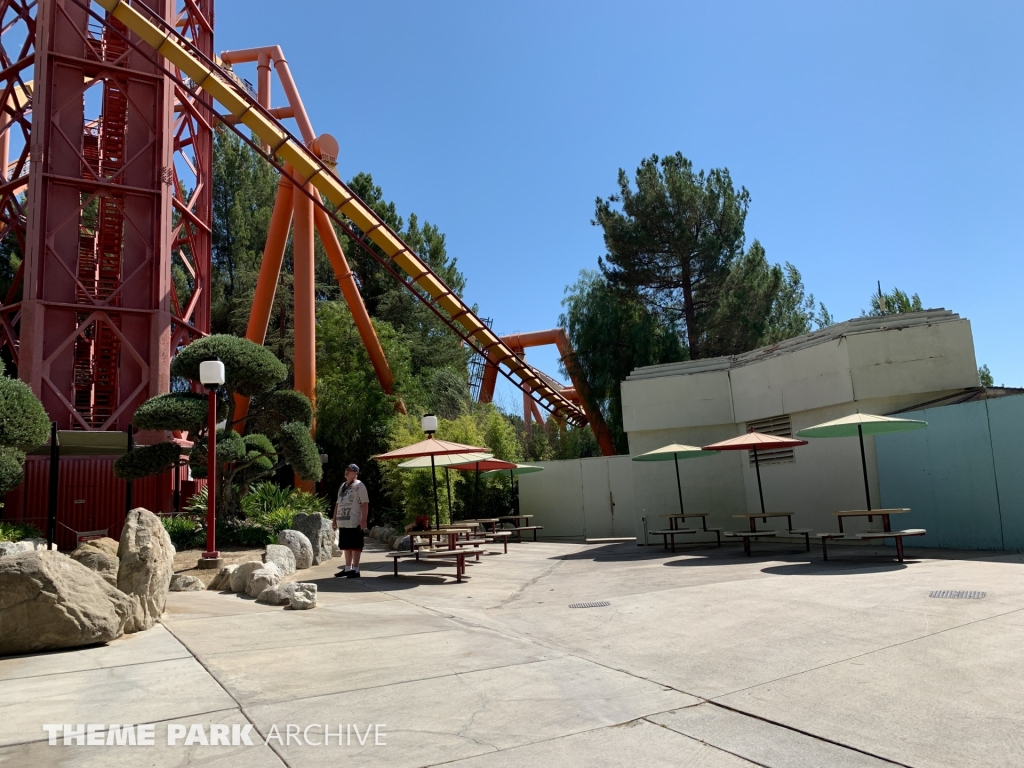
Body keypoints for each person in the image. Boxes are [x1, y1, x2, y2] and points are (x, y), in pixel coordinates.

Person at [332, 464, 369, 578]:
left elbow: (365, 503)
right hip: (343, 521)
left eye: (350, 470)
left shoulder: (359, 485)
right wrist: (334, 520)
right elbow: (338, 504)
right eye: (346, 470)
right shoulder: (343, 486)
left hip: (354, 521)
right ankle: (348, 568)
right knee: (346, 546)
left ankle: (356, 569)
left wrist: (363, 520)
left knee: (355, 545)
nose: (346, 472)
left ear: (355, 473)